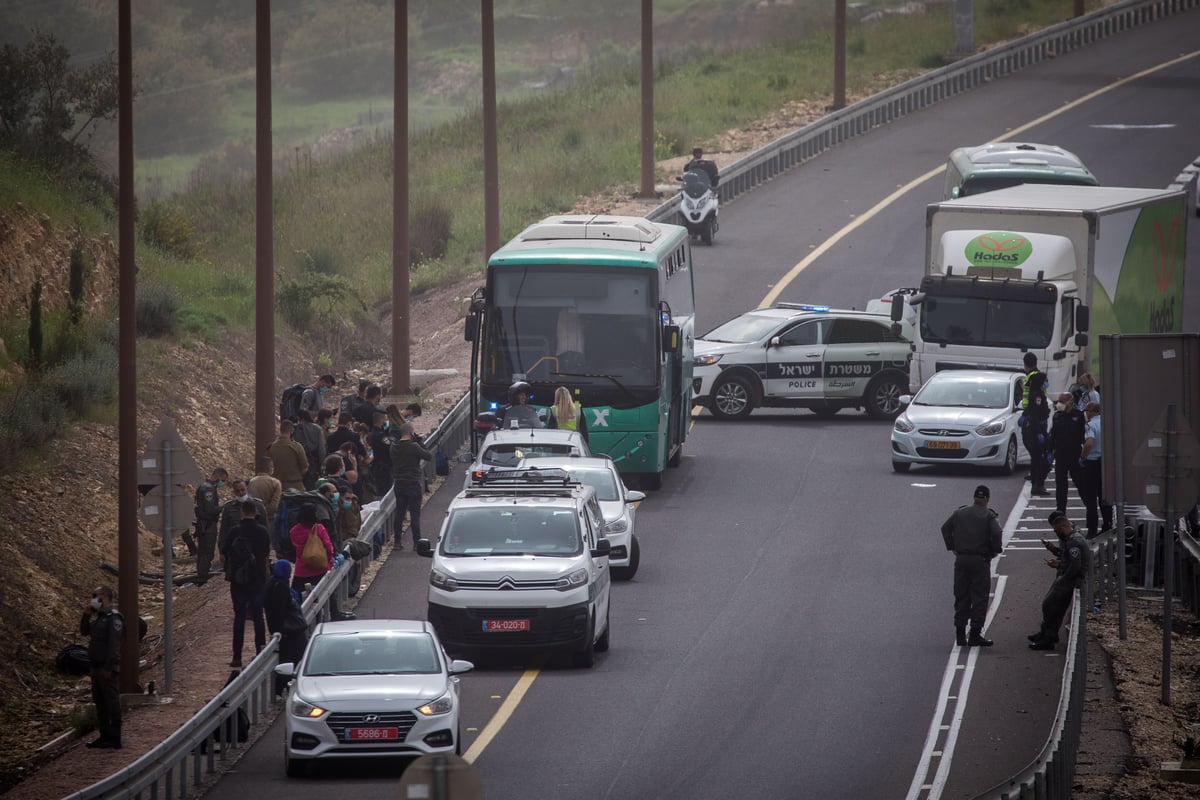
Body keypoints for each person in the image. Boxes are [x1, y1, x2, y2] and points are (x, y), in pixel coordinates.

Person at [940, 485, 1003, 647]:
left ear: (974, 497)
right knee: (979, 597)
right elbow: (996, 533)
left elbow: (945, 528)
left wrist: (952, 546)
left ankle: (960, 635)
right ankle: (975, 634)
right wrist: (995, 550)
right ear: (987, 499)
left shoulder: (960, 513)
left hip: (961, 559)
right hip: (980, 560)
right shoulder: (989, 516)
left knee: (961, 595)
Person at [1029, 510, 1091, 650]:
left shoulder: (1074, 541)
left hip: (1069, 580)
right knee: (1052, 607)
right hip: (1065, 577)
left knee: (1050, 605)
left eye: (1057, 530)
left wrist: (1063, 579)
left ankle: (1048, 637)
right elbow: (1067, 559)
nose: (1057, 533)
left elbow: (1075, 565)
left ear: (1063, 527)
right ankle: (1047, 634)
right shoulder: (1070, 539)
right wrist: (1057, 559)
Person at [221, 500, 270, 668]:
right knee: (258, 617)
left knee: (239, 617)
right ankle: (260, 653)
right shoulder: (262, 531)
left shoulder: (235, 531)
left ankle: (236, 656)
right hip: (257, 579)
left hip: (238, 580)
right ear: (255, 512)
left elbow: (224, 551)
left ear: (242, 512)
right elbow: (265, 553)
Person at [80, 585, 123, 749]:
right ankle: (104, 736)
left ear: (104, 597)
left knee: (112, 703)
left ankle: (115, 737)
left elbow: (114, 646)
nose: (92, 599)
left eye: (95, 596)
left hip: (107, 669)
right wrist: (85, 615)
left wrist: (109, 668)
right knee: (100, 704)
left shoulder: (114, 618)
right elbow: (84, 632)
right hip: (95, 667)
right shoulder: (98, 618)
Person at [263, 560, 309, 697]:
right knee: (295, 660)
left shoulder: (271, 583)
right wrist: (278, 629)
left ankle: (281, 690)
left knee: (286, 659)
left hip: (283, 631)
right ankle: (287, 688)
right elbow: (280, 610)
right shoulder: (281, 587)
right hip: (290, 631)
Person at [389, 421, 432, 550]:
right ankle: (416, 542)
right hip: (412, 482)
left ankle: (397, 542)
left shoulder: (393, 447)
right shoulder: (414, 446)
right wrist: (420, 442)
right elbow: (428, 455)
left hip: (399, 482)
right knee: (414, 514)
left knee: (400, 513)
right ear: (410, 432)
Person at [1047, 392, 1086, 515]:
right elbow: (1053, 435)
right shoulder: (1057, 416)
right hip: (1061, 456)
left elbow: (1083, 435)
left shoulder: (1079, 416)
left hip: (1075, 455)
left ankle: (1089, 505)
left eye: (1062, 402)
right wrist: (1050, 451)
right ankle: (1061, 511)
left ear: (1070, 402)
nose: (1059, 404)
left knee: (1080, 483)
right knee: (1061, 485)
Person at [1079, 401, 1114, 539]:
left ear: (1092, 412)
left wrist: (1082, 456)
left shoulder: (1090, 425)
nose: (1085, 414)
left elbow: (1089, 443)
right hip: (1105, 464)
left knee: (1091, 499)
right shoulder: (1107, 424)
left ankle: (1092, 529)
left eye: (1087, 411)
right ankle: (1107, 525)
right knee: (1104, 496)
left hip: (1092, 464)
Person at [1020, 354, 1051, 496]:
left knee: (1038, 457)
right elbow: (1035, 413)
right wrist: (1039, 432)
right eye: (1045, 381)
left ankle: (1037, 482)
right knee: (1039, 457)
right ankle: (1037, 484)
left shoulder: (1037, 392)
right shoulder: (1036, 395)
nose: (1047, 383)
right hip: (1036, 427)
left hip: (1035, 426)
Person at [289, 504, 335, 594]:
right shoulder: (319, 529)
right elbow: (328, 547)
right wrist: (329, 560)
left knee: (300, 599)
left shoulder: (294, 531)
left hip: (301, 570)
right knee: (325, 596)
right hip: (319, 568)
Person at [193, 467, 227, 584]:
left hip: (203, 524)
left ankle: (200, 575)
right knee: (207, 552)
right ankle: (202, 577)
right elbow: (210, 509)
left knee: (202, 552)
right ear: (218, 476)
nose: (223, 483)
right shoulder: (209, 489)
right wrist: (223, 508)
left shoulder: (204, 486)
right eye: (223, 480)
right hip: (208, 525)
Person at [267, 420, 309, 492]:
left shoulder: (271, 447)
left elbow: (267, 468)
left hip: (277, 488)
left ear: (280, 430)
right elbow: (305, 467)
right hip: (296, 487)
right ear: (292, 430)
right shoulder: (297, 447)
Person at [293, 409, 326, 490]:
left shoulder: (296, 428)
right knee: (311, 485)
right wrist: (322, 465)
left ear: (299, 418)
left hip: (299, 460)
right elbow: (321, 448)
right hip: (314, 461)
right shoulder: (317, 429)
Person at [248, 456, 282, 532]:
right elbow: (274, 506)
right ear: (269, 468)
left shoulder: (252, 481)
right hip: (269, 520)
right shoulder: (275, 482)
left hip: (254, 517)